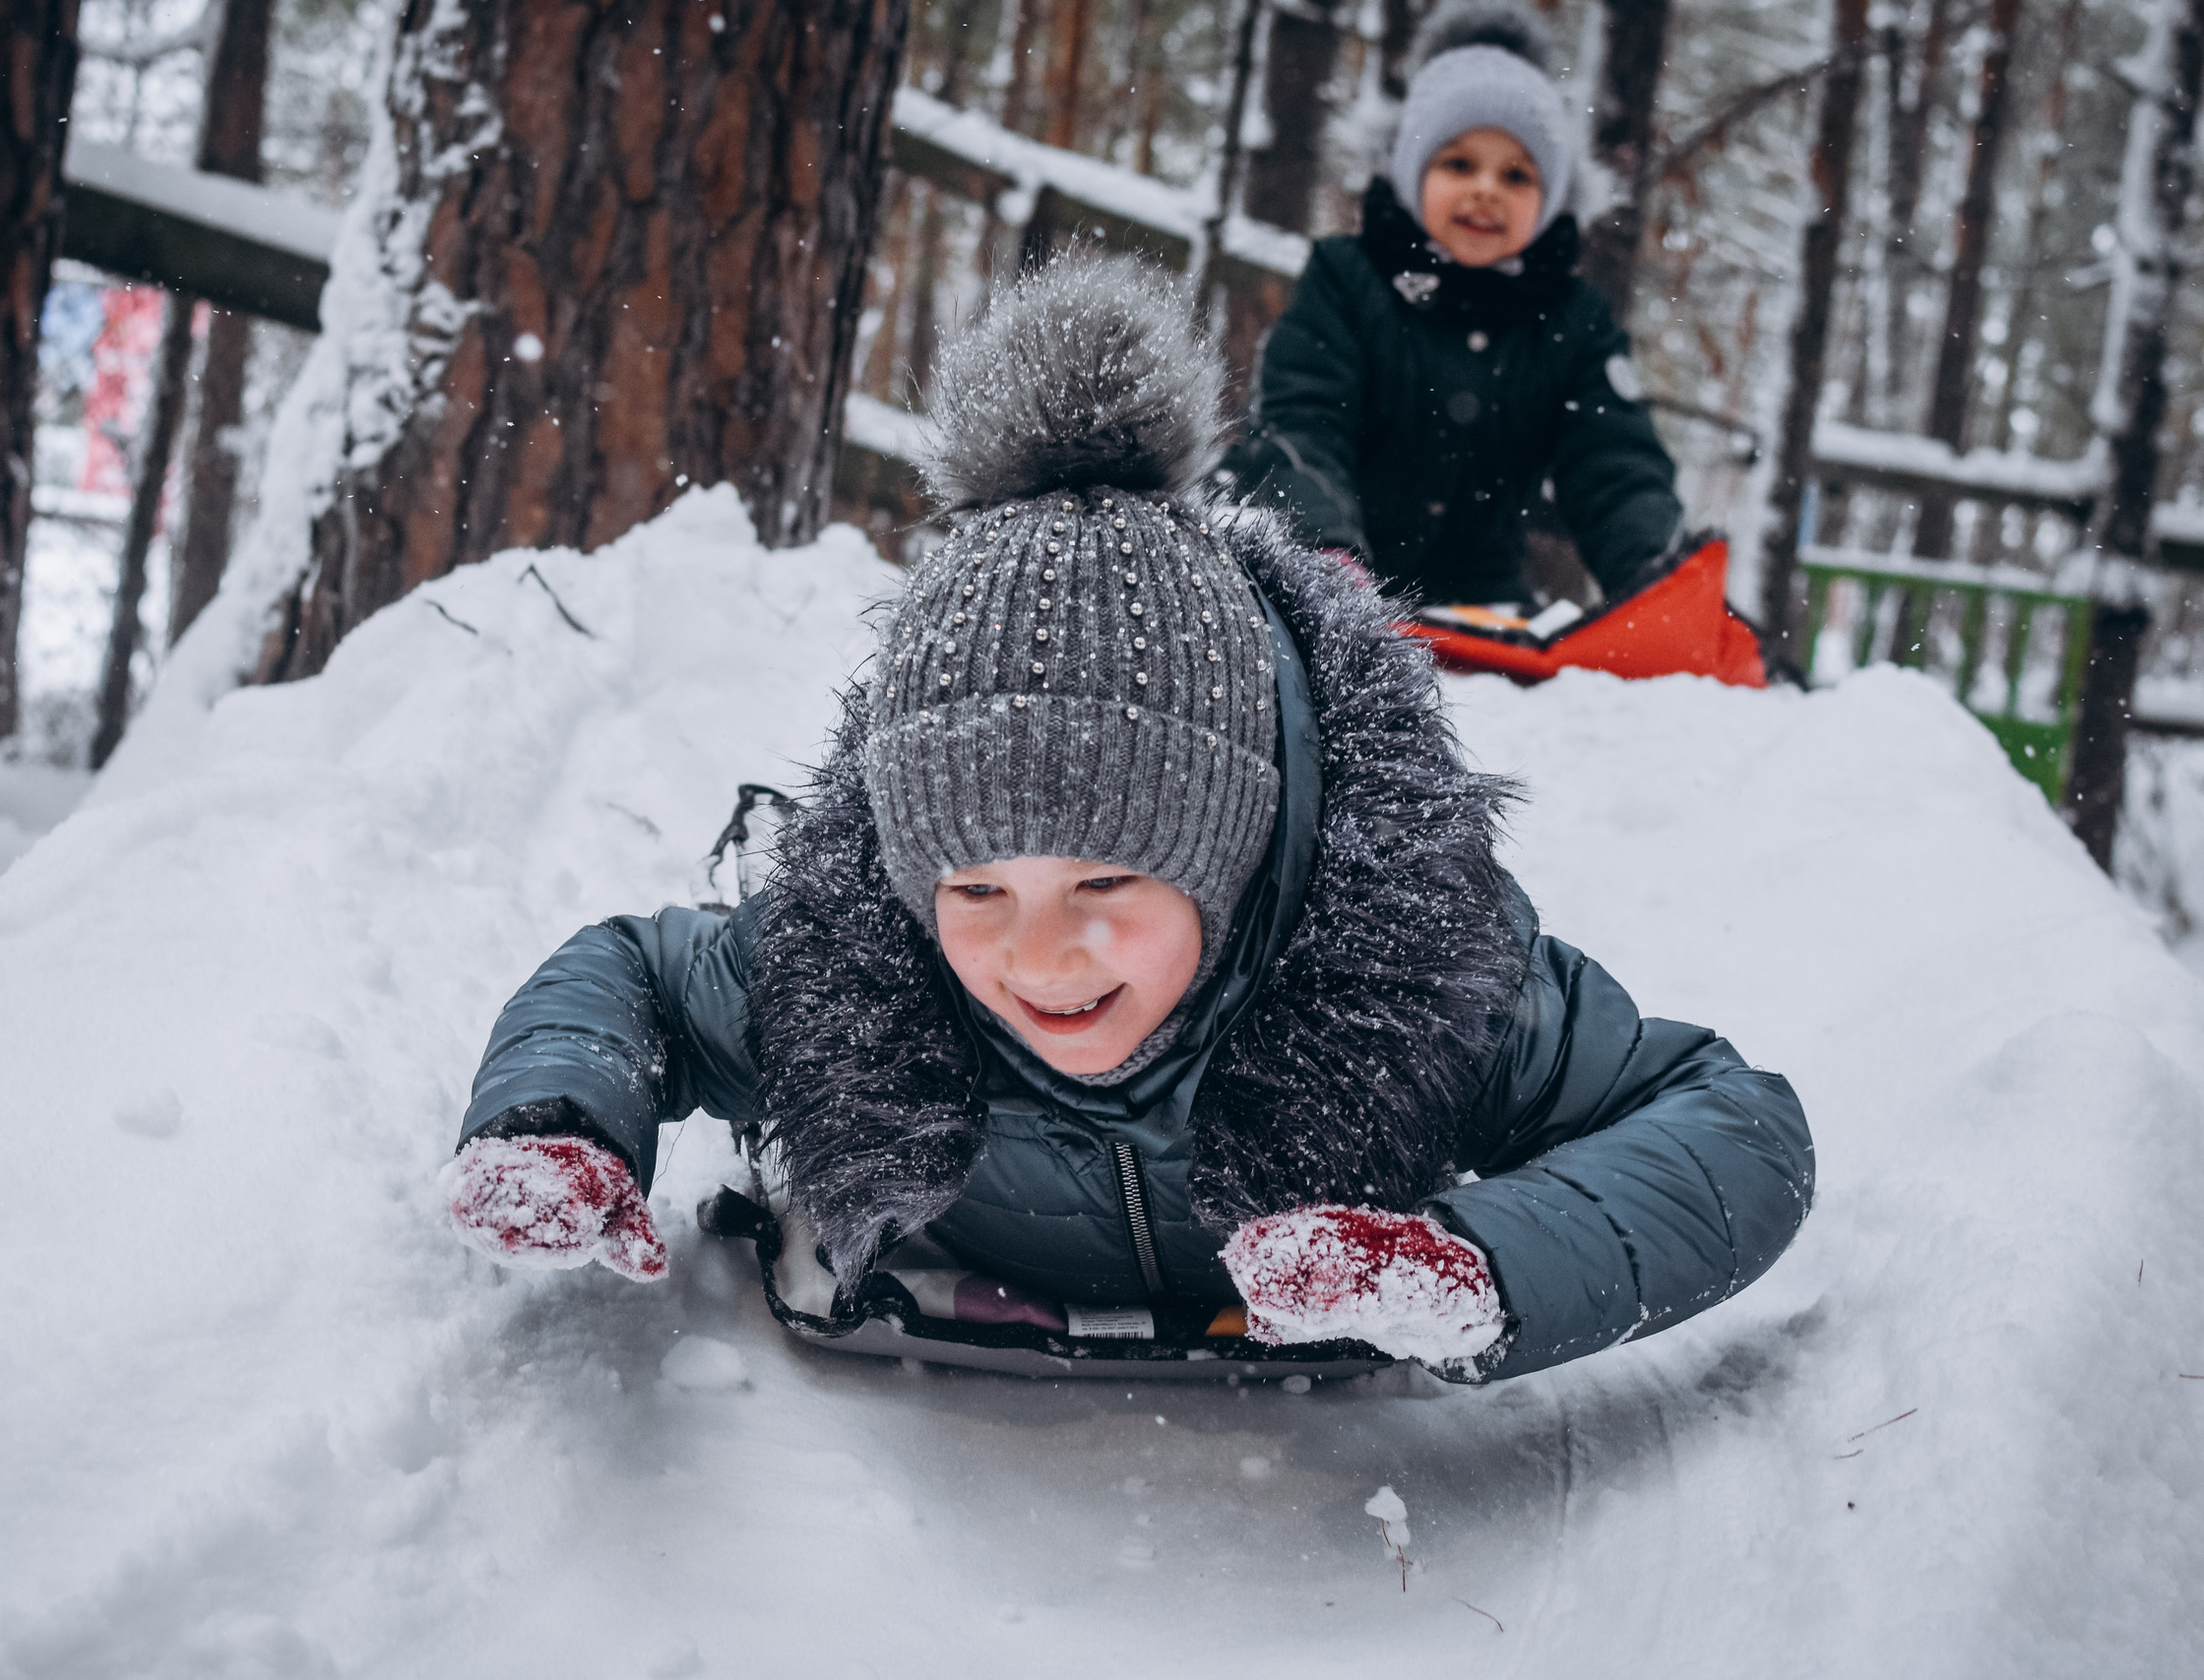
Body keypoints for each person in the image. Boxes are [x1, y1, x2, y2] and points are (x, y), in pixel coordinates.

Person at [440, 257, 1810, 1384]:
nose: (1040, 956)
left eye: (1107, 878)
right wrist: (562, 1120)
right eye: (976, 889)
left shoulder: (1412, 992)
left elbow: (1734, 1126)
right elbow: (631, 974)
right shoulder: (852, 981)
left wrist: (1478, 1260)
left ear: (1228, 851)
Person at [1218, 5, 1683, 609]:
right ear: (1411, 173)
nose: (1486, 189)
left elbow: (1614, 462)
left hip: (1482, 606)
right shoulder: (1347, 280)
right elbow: (1302, 424)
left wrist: (1654, 566)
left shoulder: (1572, 321)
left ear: (1550, 201)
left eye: (1517, 176)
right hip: (1327, 587)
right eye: (1458, 164)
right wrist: (1321, 547)